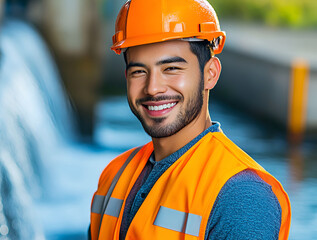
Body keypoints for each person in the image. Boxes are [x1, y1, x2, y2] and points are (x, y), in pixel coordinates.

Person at [90, 0, 291, 239]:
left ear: (210, 74)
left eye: (171, 68)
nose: (153, 88)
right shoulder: (114, 174)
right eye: (139, 71)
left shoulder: (241, 195)